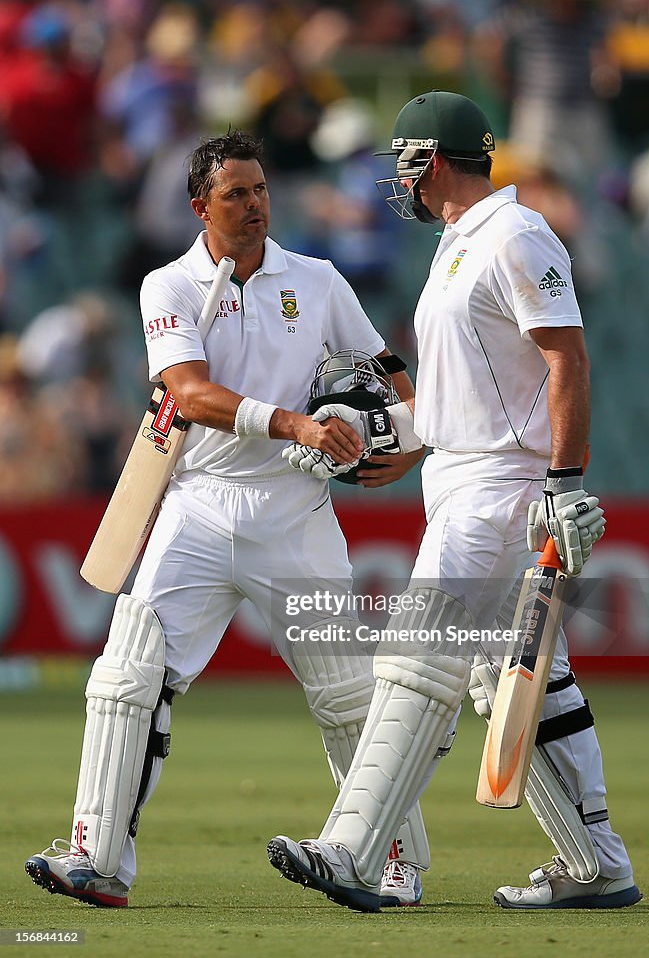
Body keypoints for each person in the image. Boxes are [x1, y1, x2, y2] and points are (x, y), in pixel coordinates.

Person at [24, 129, 428, 908]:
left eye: (261, 190)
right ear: (198, 206)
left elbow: (387, 374)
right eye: (235, 194)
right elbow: (189, 395)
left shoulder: (316, 280)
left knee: (346, 696)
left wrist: (409, 446)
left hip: (295, 512)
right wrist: (296, 423)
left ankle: (393, 862)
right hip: (198, 507)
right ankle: (97, 858)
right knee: (126, 675)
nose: (254, 206)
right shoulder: (167, 286)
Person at [268, 91, 642, 911]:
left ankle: (354, 852)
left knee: (414, 656)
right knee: (514, 680)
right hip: (462, 477)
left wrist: (564, 482)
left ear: (431, 159)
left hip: (501, 490)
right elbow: (465, 396)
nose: (395, 179)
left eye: (402, 160)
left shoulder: (515, 233)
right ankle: (597, 867)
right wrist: (384, 437)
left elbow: (566, 362)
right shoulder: (457, 243)